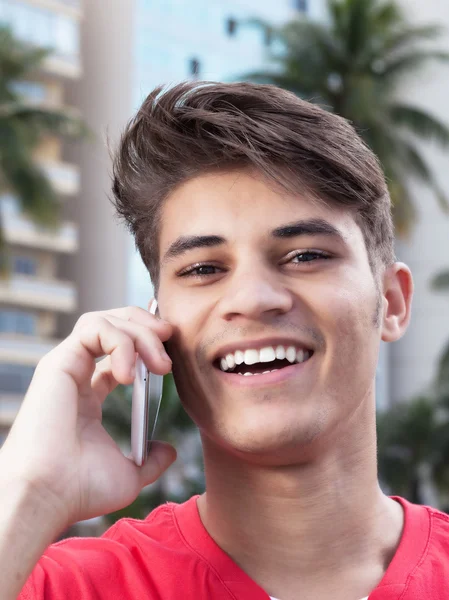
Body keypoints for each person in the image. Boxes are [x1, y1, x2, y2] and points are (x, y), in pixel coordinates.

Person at [1, 81, 448, 600]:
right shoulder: (66, 587)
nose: (254, 298)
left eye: (306, 255)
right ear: (155, 322)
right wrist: (30, 491)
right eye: (204, 268)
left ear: (391, 301)